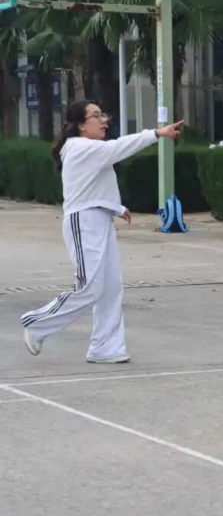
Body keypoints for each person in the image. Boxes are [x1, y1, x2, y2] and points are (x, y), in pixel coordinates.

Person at [21, 101, 183, 363]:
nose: (104, 121)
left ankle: (106, 348)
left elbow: (92, 186)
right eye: (96, 116)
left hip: (99, 219)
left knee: (110, 288)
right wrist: (156, 133)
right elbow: (119, 148)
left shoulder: (88, 148)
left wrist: (116, 207)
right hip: (84, 223)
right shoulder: (80, 147)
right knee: (90, 288)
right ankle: (37, 323)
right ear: (81, 125)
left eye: (102, 115)